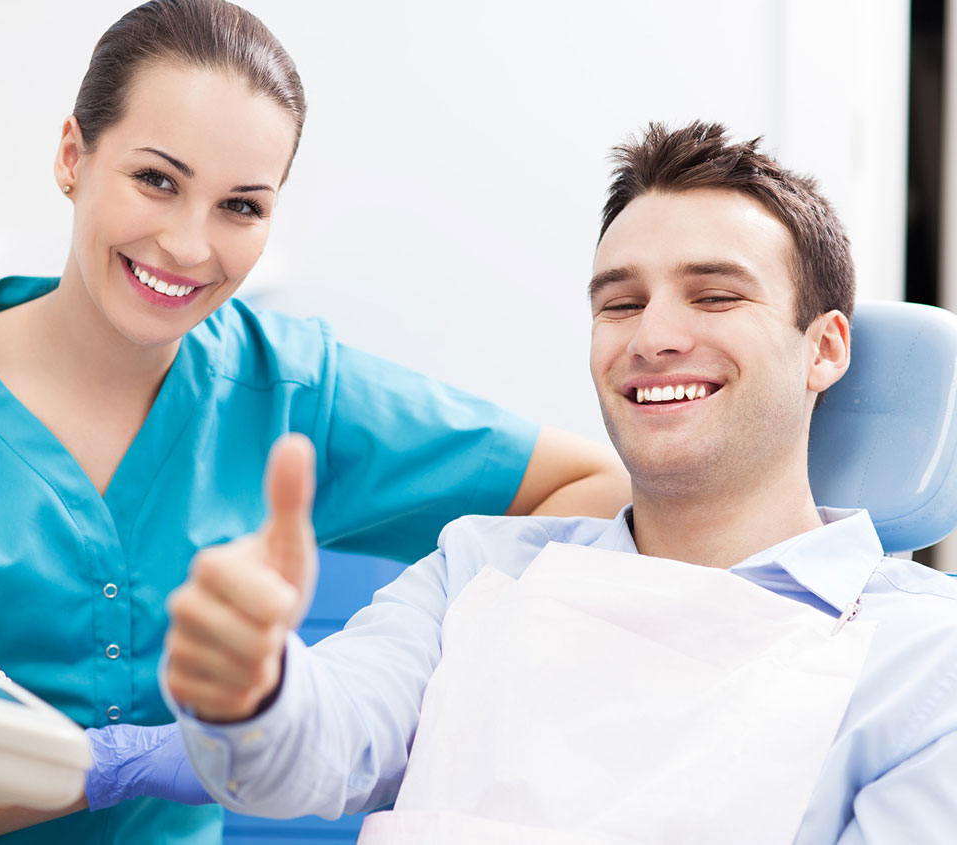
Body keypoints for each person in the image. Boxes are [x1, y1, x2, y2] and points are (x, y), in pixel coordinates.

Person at [0, 1, 628, 843]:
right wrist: (107, 765)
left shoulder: (292, 389)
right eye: (156, 179)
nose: (188, 244)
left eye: (241, 206)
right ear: (73, 156)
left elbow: (593, 488)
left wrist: (373, 671)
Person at [162, 121, 957, 843]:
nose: (652, 337)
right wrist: (253, 687)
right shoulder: (481, 567)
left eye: (715, 295)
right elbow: (321, 743)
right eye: (621, 302)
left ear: (825, 349)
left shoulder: (923, 664)